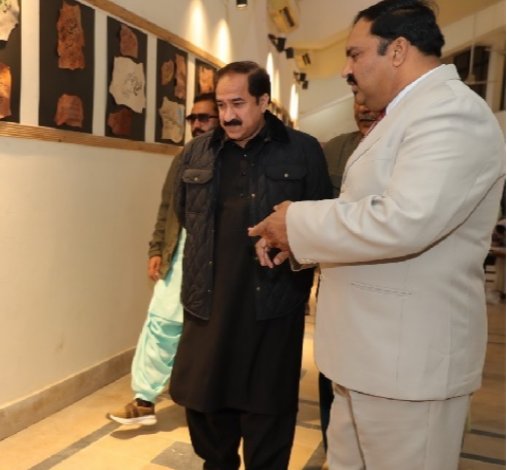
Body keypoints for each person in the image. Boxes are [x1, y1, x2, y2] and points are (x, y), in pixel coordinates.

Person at [248, 1, 506, 468]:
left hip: (406, 366)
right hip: (369, 357)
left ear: (398, 50)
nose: (346, 70)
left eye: (355, 54)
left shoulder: (451, 113)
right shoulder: (408, 114)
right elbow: (366, 212)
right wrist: (295, 237)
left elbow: (405, 220)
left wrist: (297, 223)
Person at [169, 61, 332, 469]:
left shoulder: (303, 150)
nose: (227, 115)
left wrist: (290, 244)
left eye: (238, 103)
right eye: (221, 105)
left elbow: (321, 221)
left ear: (263, 101)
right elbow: (184, 214)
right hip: (209, 304)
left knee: (268, 411)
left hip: (273, 307)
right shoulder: (196, 152)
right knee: (206, 405)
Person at [107, 93, 219, 426]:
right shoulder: (184, 157)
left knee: (210, 331)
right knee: (161, 321)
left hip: (218, 262)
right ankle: (144, 400)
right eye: (193, 118)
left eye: (205, 118)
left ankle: (209, 400)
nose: (197, 124)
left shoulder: (236, 160)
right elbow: (167, 207)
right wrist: (156, 249)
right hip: (179, 253)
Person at [319, 100, 380, 451]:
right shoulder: (335, 149)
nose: (364, 109)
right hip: (336, 280)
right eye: (358, 101)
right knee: (332, 367)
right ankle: (333, 448)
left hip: (381, 285)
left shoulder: (408, 146)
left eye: (370, 101)